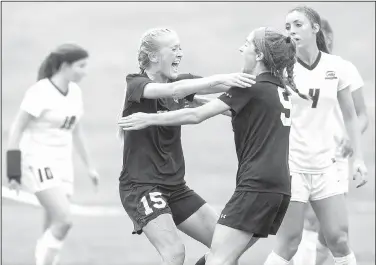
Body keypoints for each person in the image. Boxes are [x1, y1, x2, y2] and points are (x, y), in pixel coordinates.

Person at [119, 26, 297, 265]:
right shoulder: (137, 84)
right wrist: (224, 81)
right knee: (175, 253)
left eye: (180, 47)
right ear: (154, 57)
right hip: (142, 186)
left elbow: (238, 86)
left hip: (175, 187)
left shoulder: (183, 83)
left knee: (223, 249)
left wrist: (258, 85)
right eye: (174, 48)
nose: (180, 53)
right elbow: (174, 91)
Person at [263, 6, 368, 265]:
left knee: (339, 239)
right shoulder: (279, 70)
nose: (292, 31)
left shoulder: (338, 67)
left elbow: (353, 116)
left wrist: (359, 159)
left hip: (328, 166)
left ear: (315, 28)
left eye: (298, 24)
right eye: (288, 27)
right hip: (293, 166)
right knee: (289, 243)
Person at [6, 44, 100, 265]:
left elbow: (76, 129)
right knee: (64, 220)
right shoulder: (40, 92)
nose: (85, 71)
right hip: (38, 161)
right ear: (65, 66)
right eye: (81, 66)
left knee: (51, 225)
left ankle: (44, 260)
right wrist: (12, 168)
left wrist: (89, 167)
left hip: (62, 164)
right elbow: (17, 127)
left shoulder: (75, 92)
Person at [292, 17, 369, 265]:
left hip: (335, 157)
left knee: (332, 233)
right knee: (307, 223)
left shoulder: (343, 69)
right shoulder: (293, 70)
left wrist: (351, 138)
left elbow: (361, 115)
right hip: (303, 154)